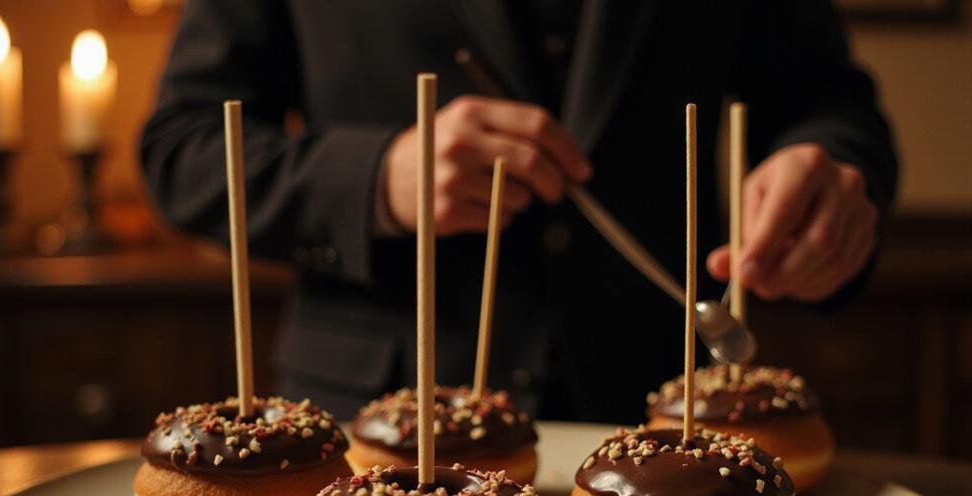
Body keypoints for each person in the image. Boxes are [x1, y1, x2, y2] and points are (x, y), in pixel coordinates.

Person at [140, 0, 896, 423]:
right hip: (368, 422)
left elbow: (828, 98)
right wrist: (379, 176)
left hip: (665, 412)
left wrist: (833, 172)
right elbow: (183, 148)